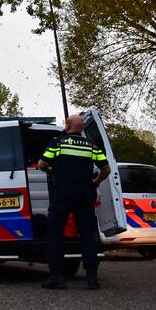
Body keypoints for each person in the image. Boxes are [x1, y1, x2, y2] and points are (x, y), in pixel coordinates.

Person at [37, 114, 111, 290]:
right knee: (87, 234)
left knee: (56, 235)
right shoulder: (92, 146)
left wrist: (53, 170)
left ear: (68, 126)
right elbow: (106, 169)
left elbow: (41, 164)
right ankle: (92, 278)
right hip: (85, 194)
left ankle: (57, 278)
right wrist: (96, 182)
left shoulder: (57, 144)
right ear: (83, 128)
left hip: (61, 193)